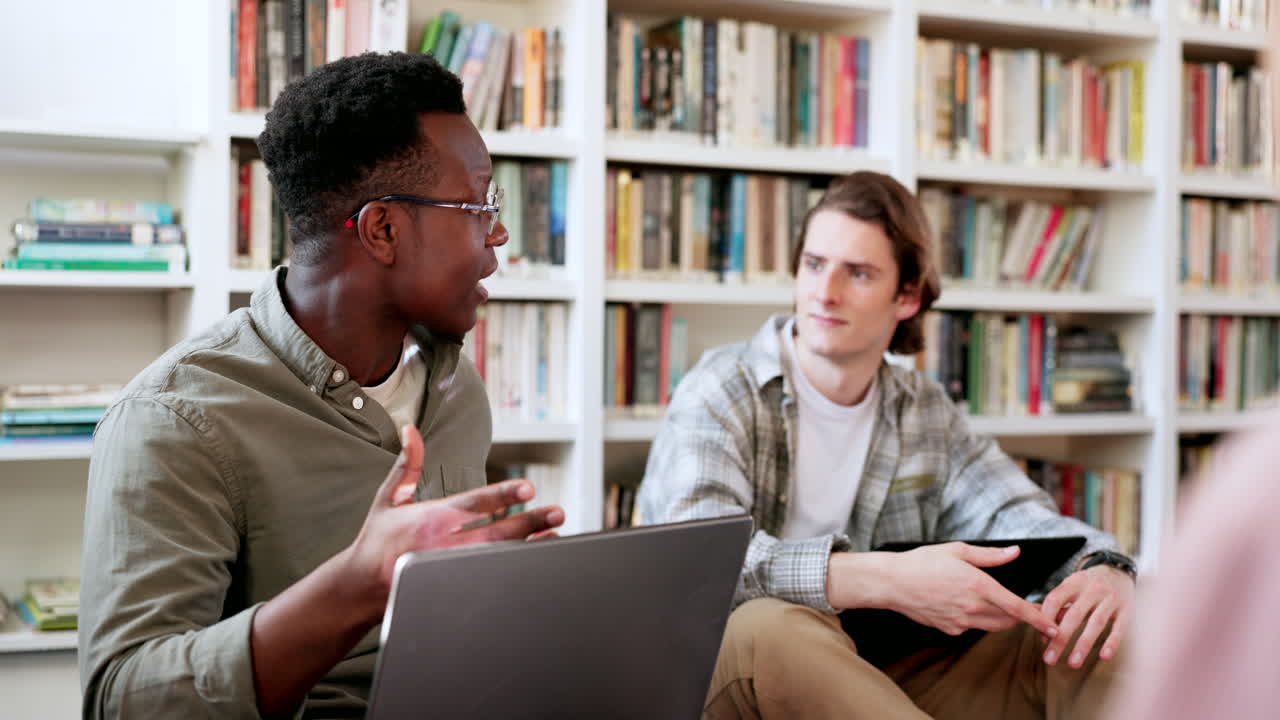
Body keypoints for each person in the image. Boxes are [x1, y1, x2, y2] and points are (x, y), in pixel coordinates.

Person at [79, 52, 563, 718]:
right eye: (479, 204)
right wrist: (357, 585)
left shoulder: (456, 390)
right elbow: (123, 700)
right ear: (383, 229)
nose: (499, 232)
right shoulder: (176, 420)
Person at [638, 170, 1137, 719]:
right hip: (732, 672)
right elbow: (702, 573)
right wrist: (887, 580)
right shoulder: (720, 389)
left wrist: (1104, 567)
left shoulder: (921, 408)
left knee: (1102, 620)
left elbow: (1018, 516)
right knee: (771, 628)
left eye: (857, 273)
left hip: (877, 673)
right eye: (814, 265)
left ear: (907, 297)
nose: (824, 292)